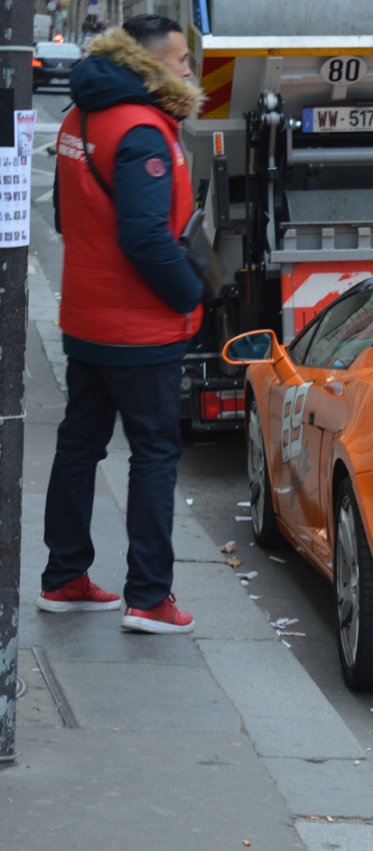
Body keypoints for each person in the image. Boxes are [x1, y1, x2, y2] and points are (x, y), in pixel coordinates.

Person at [38, 15, 205, 633]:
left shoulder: (81, 118)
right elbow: (145, 236)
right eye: (181, 58)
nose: (189, 69)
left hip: (85, 317)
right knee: (155, 454)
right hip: (141, 329)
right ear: (150, 63)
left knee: (79, 445)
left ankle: (64, 578)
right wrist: (191, 295)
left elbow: (62, 212)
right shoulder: (141, 130)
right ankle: (149, 597)